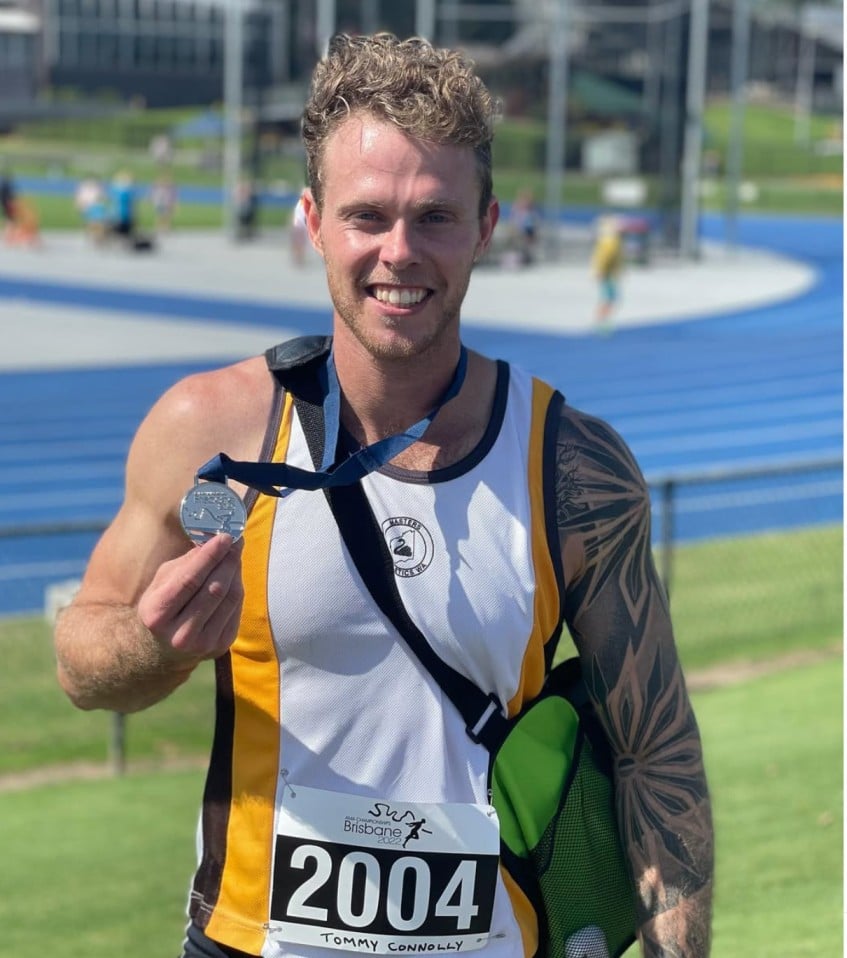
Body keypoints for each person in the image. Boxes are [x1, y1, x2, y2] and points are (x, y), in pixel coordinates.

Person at [53, 33, 713, 958]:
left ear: (485, 227)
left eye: (435, 217)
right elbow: (86, 662)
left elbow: (656, 753)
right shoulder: (217, 434)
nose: (399, 253)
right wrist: (152, 645)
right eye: (367, 216)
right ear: (313, 221)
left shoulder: (572, 467)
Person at [590, 214, 625, 331]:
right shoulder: (611, 242)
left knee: (609, 298)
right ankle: (602, 322)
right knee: (609, 298)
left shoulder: (610, 241)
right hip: (607, 274)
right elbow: (604, 258)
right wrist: (600, 271)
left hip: (609, 273)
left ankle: (602, 321)